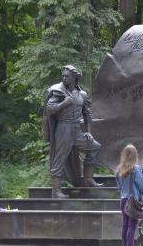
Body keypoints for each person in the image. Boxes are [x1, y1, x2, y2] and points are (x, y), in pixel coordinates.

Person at [44, 65, 102, 198]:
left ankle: (87, 180)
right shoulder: (58, 91)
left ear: (74, 77)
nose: (64, 78)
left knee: (94, 147)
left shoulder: (82, 94)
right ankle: (56, 191)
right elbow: (50, 109)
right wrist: (64, 103)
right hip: (63, 128)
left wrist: (88, 132)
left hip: (77, 129)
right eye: (63, 76)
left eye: (67, 76)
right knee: (59, 158)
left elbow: (87, 114)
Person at [115, 144, 143, 246]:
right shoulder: (135, 169)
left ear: (124, 154)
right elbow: (141, 186)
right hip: (133, 201)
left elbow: (119, 187)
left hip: (123, 200)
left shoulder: (119, 169)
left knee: (125, 225)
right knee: (132, 226)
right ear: (135, 155)